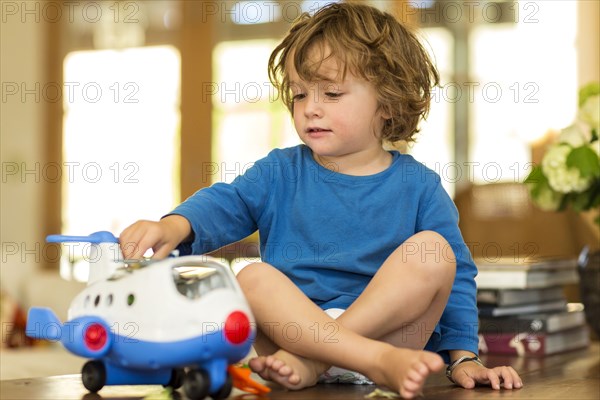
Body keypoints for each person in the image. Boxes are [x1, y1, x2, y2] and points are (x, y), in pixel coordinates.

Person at [119, 3, 522, 398]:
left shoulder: (419, 184)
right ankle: (355, 358)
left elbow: (457, 279)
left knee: (436, 252)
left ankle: (318, 362)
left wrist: (464, 357)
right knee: (251, 278)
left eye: (331, 93)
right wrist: (174, 224)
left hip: (388, 344)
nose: (310, 108)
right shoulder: (280, 171)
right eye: (298, 95)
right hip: (293, 340)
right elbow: (229, 202)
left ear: (388, 102)